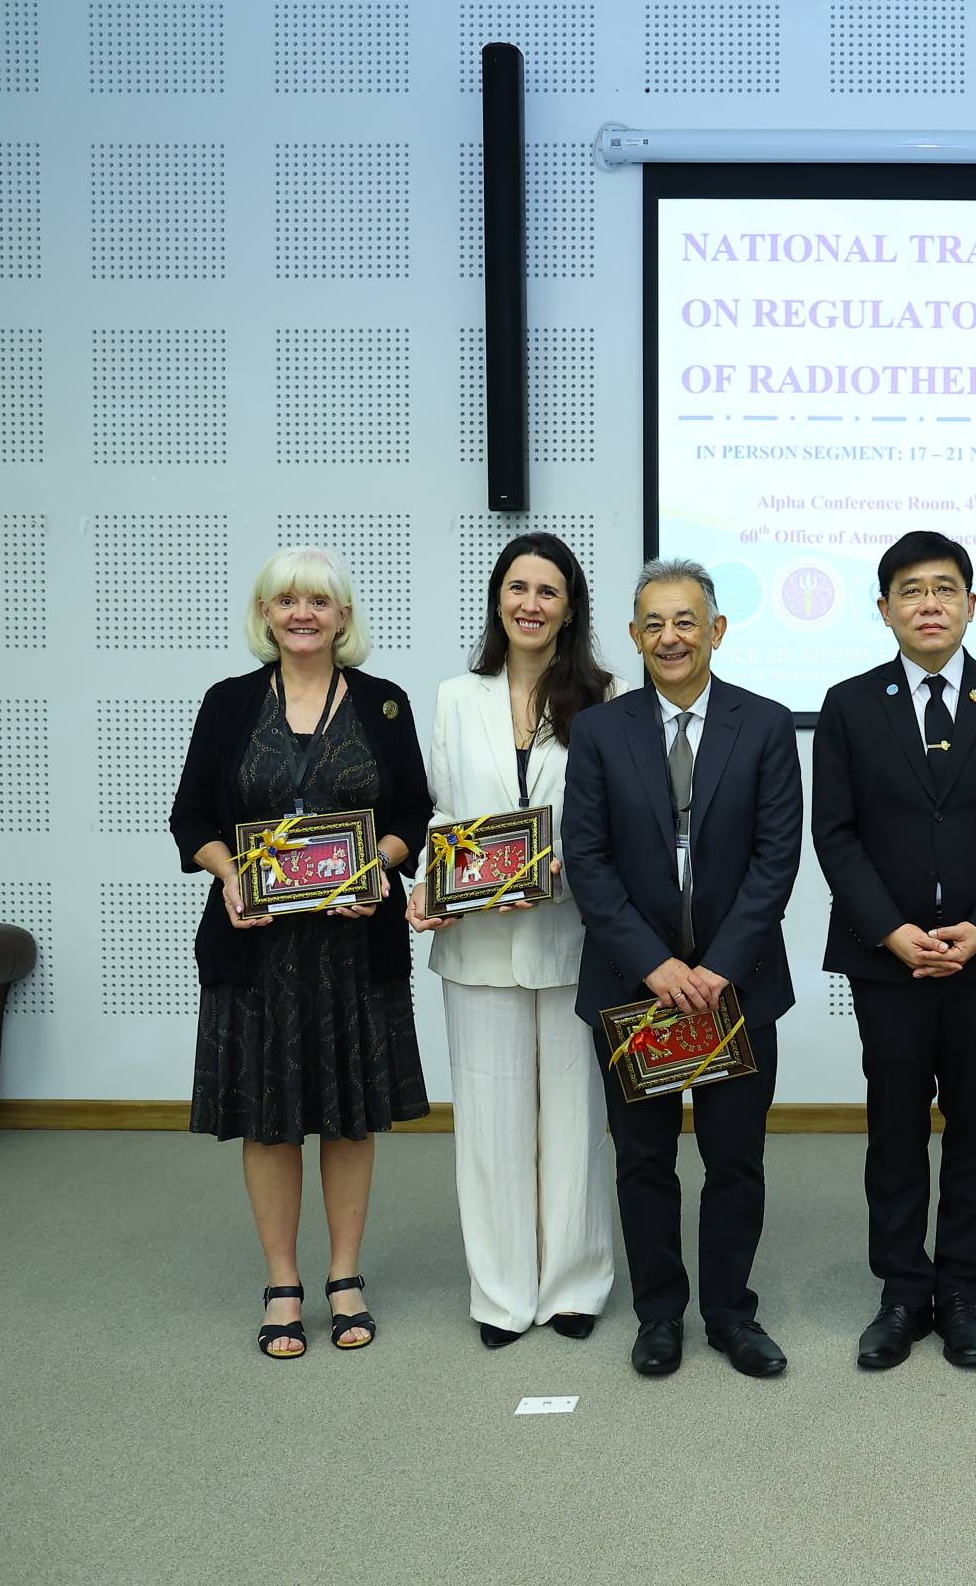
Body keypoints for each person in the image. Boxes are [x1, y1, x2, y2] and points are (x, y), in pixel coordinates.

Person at [169, 547, 429, 1359]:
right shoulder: (229, 703)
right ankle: (282, 1281)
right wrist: (230, 875)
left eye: (319, 601)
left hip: (356, 946)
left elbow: (413, 814)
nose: (303, 614)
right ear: (266, 614)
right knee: (269, 1118)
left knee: (350, 1118)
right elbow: (190, 818)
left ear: (343, 616)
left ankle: (345, 1275)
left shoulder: (384, 703)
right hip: (256, 950)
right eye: (287, 601)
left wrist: (377, 866)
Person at [812, 530, 976, 1371]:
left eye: (945, 589)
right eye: (911, 591)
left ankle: (960, 1293)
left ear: (971, 605)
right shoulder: (849, 704)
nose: (929, 604)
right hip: (889, 960)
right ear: (884, 609)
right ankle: (901, 1292)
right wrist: (892, 931)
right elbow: (835, 835)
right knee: (896, 1130)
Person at [562, 560, 803, 1379]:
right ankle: (659, 1314)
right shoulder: (600, 732)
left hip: (738, 988)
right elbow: (588, 863)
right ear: (635, 636)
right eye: (654, 624)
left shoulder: (765, 724)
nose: (671, 637)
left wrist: (719, 968)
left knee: (736, 1160)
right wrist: (658, 965)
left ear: (716, 630)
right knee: (644, 1159)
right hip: (635, 989)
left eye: (686, 620)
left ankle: (731, 1313)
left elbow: (776, 861)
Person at [406, 532, 618, 1351]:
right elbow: (440, 810)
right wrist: (432, 882)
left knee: (575, 1119)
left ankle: (574, 1283)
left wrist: (574, 859)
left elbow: (618, 812)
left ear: (570, 607)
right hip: (477, 942)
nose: (531, 603)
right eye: (518, 588)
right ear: (498, 599)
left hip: (574, 936)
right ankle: (499, 1294)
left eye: (548, 591)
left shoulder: (605, 696)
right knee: (489, 1126)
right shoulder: (455, 696)